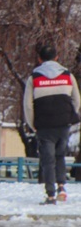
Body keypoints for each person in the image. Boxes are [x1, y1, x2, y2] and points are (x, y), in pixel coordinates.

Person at [23, 42, 81, 204]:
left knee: (47, 159)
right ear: (57, 57)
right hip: (63, 123)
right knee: (60, 155)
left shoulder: (33, 78)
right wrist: (69, 115)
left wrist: (32, 123)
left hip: (44, 124)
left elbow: (28, 105)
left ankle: (50, 194)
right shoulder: (67, 75)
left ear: (39, 59)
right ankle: (62, 186)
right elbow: (77, 99)